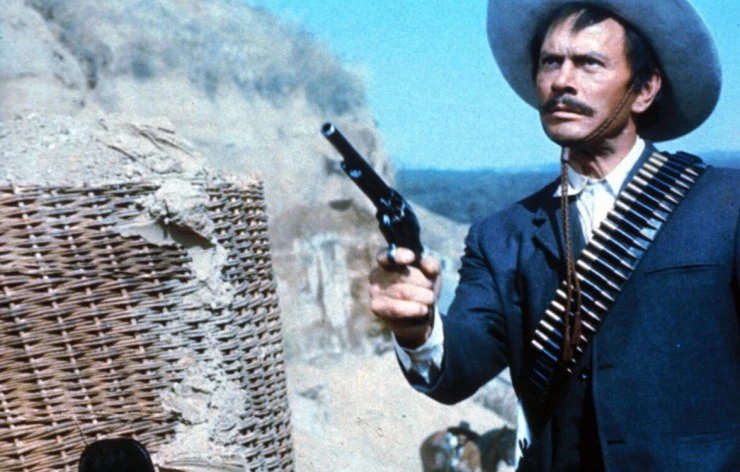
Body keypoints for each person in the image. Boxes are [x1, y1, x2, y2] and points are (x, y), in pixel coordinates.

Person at [368, 1, 739, 470]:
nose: (562, 80)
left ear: (644, 90)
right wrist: (417, 328)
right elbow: (458, 368)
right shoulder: (502, 237)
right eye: (550, 62)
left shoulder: (726, 205)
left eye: (589, 63)